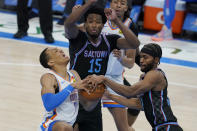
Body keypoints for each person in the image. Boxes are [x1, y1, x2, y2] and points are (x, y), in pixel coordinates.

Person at [64, 0, 140, 130]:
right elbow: (69, 23)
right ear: (85, 24)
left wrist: (117, 22)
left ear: (103, 24)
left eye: (98, 22)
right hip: (76, 92)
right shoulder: (78, 38)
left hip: (96, 93)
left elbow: (134, 44)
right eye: (90, 21)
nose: (94, 25)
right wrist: (87, 4)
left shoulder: (109, 40)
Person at [88, 43, 183, 131]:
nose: (141, 61)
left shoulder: (155, 74)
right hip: (161, 127)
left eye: (145, 58)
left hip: (167, 127)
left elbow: (130, 92)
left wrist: (105, 79)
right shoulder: (146, 77)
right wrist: (110, 96)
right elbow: (138, 104)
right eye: (141, 57)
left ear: (156, 60)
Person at [38, 47, 99, 131]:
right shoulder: (49, 77)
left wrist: (97, 93)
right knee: (65, 127)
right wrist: (71, 86)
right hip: (52, 124)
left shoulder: (74, 74)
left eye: (60, 50)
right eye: (56, 51)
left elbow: (87, 105)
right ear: (51, 62)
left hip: (71, 124)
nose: (61, 50)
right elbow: (49, 105)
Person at [101, 0, 140, 131]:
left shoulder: (130, 26)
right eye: (115, 2)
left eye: (122, 3)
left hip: (113, 79)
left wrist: (121, 59)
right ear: (109, 4)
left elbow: (130, 63)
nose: (118, 5)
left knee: (125, 127)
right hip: (93, 74)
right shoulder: (100, 20)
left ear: (127, 7)